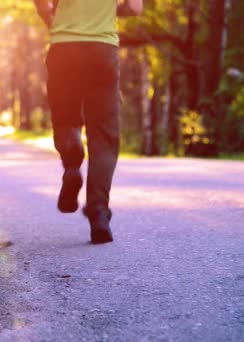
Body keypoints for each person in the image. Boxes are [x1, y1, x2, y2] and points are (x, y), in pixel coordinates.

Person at [34, 0, 143, 244]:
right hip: (102, 48)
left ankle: (72, 163)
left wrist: (52, 19)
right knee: (104, 135)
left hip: (64, 48)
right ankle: (98, 212)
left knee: (65, 117)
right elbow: (135, 8)